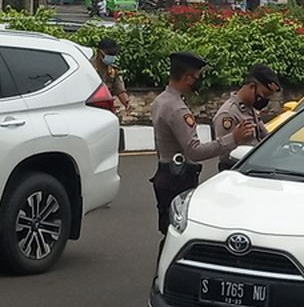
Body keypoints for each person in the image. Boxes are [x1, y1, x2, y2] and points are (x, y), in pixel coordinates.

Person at [151, 52, 256, 234]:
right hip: (178, 178)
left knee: (168, 230)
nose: (197, 82)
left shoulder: (160, 101)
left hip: (165, 173)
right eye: (196, 77)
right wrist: (234, 139)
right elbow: (194, 151)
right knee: (177, 232)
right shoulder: (177, 109)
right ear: (187, 78)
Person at [213, 64, 281, 149]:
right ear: (252, 87)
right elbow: (225, 154)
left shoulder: (250, 109)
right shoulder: (228, 114)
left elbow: (265, 137)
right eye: (264, 94)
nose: (265, 99)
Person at [91, 38, 130, 111]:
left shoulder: (113, 70)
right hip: (90, 107)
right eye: (109, 54)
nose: (111, 57)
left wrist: (127, 104)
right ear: (99, 52)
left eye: (113, 54)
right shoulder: (88, 68)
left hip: (106, 108)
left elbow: (120, 90)